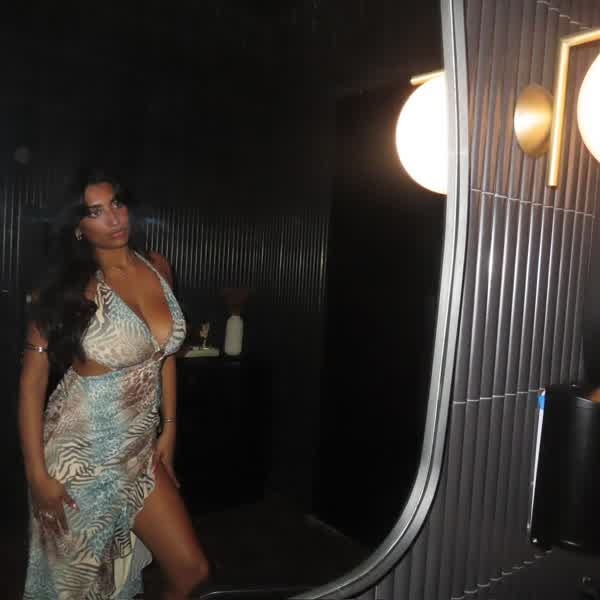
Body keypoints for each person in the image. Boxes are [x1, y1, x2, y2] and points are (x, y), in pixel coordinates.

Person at [18, 172, 210, 599]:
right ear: (78, 226)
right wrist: (37, 476)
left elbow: (163, 355)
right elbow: (32, 384)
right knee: (75, 589)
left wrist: (169, 428)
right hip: (78, 457)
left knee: (190, 570)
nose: (114, 218)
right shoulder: (67, 290)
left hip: (139, 452)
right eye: (96, 211)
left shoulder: (157, 267)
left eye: (117, 204)